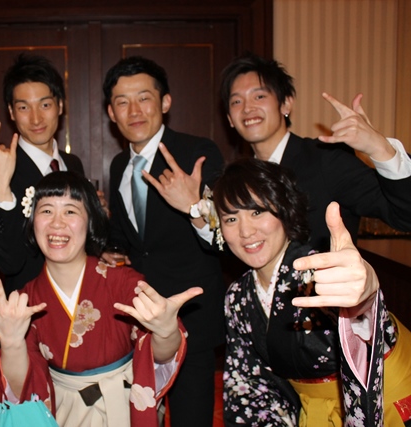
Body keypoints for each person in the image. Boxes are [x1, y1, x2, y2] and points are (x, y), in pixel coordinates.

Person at [0, 171, 202, 426]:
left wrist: (166, 331)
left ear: (90, 220)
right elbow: (22, 390)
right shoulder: (25, 301)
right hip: (62, 413)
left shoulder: (124, 282)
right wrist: (12, 344)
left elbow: (159, 356)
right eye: (46, 211)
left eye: (70, 211)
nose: (57, 223)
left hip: (123, 410)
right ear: (33, 221)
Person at [212, 158, 411, 426]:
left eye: (257, 212)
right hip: (315, 412)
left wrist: (365, 299)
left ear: (284, 210)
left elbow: (367, 328)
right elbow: (249, 383)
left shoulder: (324, 272)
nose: (246, 231)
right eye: (231, 218)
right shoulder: (238, 296)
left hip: (388, 403)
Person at [101, 55, 225, 426]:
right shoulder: (119, 166)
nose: (134, 110)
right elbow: (131, 241)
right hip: (140, 319)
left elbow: (224, 238)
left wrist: (195, 207)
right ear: (111, 112)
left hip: (192, 317)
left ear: (165, 102)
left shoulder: (196, 153)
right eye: (122, 102)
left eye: (144, 98)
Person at [220, 52, 411, 251]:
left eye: (259, 96)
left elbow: (405, 216)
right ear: (230, 119)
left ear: (286, 103)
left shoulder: (326, 160)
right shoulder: (239, 178)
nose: (247, 108)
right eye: (236, 102)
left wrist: (380, 148)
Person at [0, 53, 86, 294]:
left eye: (45, 105)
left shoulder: (72, 164)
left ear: (60, 106)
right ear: (11, 112)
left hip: (80, 298)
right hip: (27, 303)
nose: (36, 118)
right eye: (24, 107)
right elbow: (8, 262)